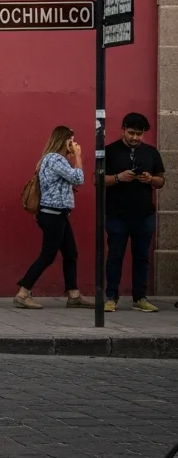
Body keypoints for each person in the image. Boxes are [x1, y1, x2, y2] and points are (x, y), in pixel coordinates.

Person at [15, 126, 93, 310]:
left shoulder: (52, 159)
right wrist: (79, 156)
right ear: (63, 140)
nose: (73, 144)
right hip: (53, 214)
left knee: (70, 253)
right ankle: (23, 293)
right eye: (71, 140)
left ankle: (73, 294)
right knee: (48, 255)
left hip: (58, 214)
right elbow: (78, 178)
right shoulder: (55, 159)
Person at [103, 112, 165, 313]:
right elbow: (99, 180)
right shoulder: (109, 151)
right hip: (117, 215)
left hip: (144, 215)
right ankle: (111, 296)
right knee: (115, 256)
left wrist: (150, 180)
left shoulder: (151, 152)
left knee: (141, 257)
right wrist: (119, 178)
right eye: (131, 133)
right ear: (123, 129)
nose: (135, 137)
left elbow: (161, 180)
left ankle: (140, 297)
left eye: (139, 134)